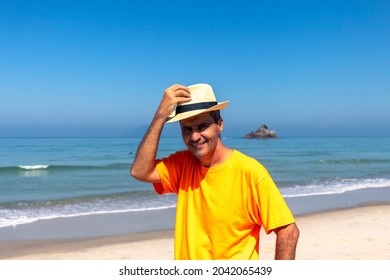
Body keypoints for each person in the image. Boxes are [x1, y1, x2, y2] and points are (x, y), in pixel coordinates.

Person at [130, 83, 299, 260]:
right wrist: (160, 116)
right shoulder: (182, 164)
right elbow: (139, 171)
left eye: (202, 126)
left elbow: (289, 232)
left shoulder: (250, 172)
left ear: (220, 125)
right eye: (187, 129)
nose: (194, 137)